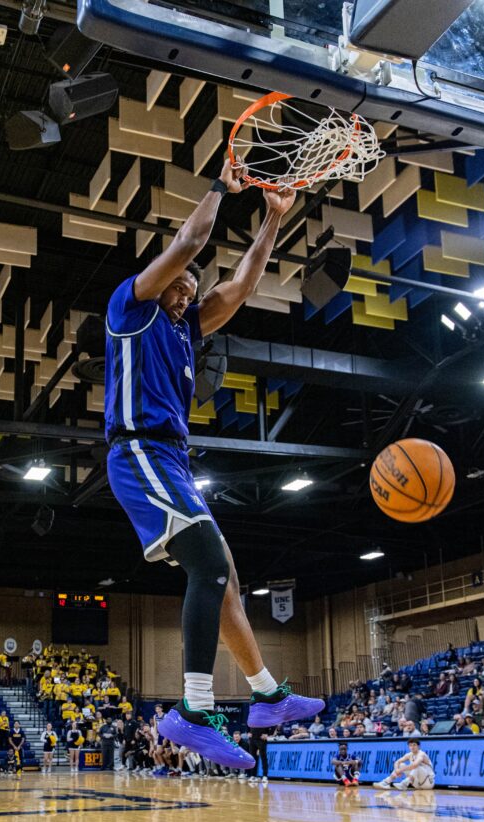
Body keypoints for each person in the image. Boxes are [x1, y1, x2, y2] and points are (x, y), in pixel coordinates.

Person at [104, 160, 325, 768]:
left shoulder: (183, 329)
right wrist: (223, 187)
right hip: (138, 450)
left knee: (223, 573)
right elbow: (190, 242)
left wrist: (274, 220)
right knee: (206, 561)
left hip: (172, 458)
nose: (188, 291)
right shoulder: (131, 307)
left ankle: (264, 696)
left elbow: (244, 285)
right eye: (180, 284)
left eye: (191, 288)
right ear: (161, 281)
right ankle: (192, 709)